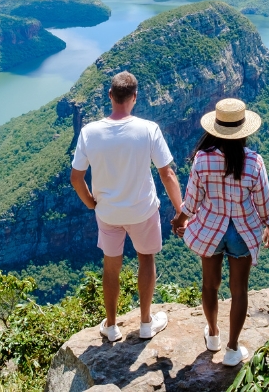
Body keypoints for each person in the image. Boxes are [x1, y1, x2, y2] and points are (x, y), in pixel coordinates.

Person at [70, 71, 184, 343]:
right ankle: (145, 323)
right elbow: (167, 174)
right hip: (142, 211)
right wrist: (181, 211)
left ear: (110, 96)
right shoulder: (148, 129)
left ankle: (111, 327)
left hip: (107, 213)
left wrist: (91, 204)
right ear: (134, 97)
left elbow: (76, 178)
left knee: (111, 268)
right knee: (146, 259)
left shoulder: (89, 132)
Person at [170, 98, 269, 367]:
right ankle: (232, 348)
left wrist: (178, 220)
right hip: (242, 232)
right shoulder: (254, 162)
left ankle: (213, 335)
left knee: (209, 285)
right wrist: (268, 225)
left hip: (210, 230)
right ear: (243, 131)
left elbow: (192, 201)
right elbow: (263, 201)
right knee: (239, 290)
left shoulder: (202, 159)